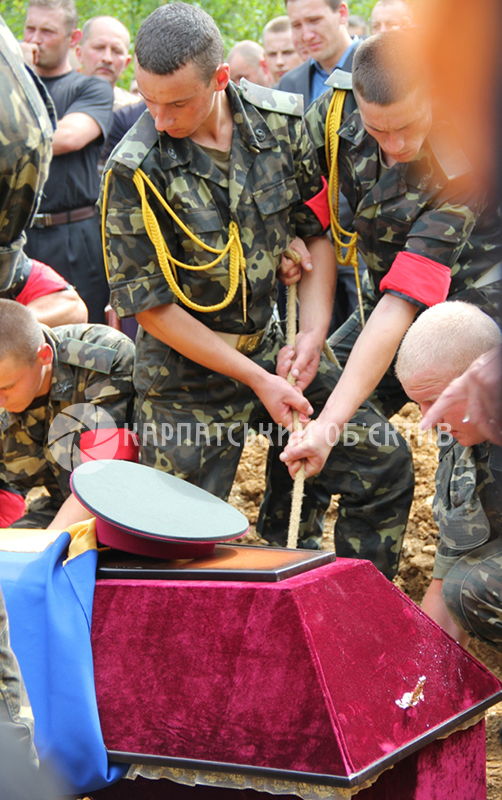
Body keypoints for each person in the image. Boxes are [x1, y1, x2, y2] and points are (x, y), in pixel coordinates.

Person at [100, 2, 413, 579]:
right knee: (172, 548)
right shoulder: (133, 168)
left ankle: (347, 615)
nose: (159, 117)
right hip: (185, 379)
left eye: (176, 103)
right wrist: (258, 380)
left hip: (276, 348)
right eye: (146, 99)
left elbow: (312, 231)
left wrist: (315, 332)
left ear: (220, 80)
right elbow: (151, 308)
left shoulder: (282, 122)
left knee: (381, 464)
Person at [281, 31, 502, 486]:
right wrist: (312, 329)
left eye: (407, 126)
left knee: (466, 448)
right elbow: (312, 220)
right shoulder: (333, 113)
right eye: (378, 129)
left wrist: (330, 427)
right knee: (316, 399)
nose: (395, 145)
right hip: (379, 297)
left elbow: (406, 298)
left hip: (465, 312)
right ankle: (295, 548)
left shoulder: (465, 152)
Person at [395, 301, 502, 651]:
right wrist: (420, 680)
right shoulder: (463, 450)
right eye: (419, 404)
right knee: (469, 587)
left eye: (437, 399)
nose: (428, 419)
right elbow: (447, 577)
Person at [0, 299, 136, 530]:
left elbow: (103, 477)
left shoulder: (101, 358)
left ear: (44, 356)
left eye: (7, 388)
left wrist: (44, 550)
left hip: (125, 506)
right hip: (59, 507)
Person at [22, 0, 114, 324]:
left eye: (47, 31)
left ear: (73, 39)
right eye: (30, 28)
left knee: (83, 343)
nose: (35, 39)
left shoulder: (92, 87)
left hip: (74, 235)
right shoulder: (11, 87)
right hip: (18, 237)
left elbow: (67, 137)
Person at [76, 15, 139, 110]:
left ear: (126, 63)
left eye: (116, 51)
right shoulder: (57, 100)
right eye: (99, 47)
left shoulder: (134, 111)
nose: (107, 58)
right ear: (80, 54)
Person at [262, 16, 303, 85]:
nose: (279, 62)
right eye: (272, 54)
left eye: (287, 53)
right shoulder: (257, 95)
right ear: (264, 58)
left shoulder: (323, 93)